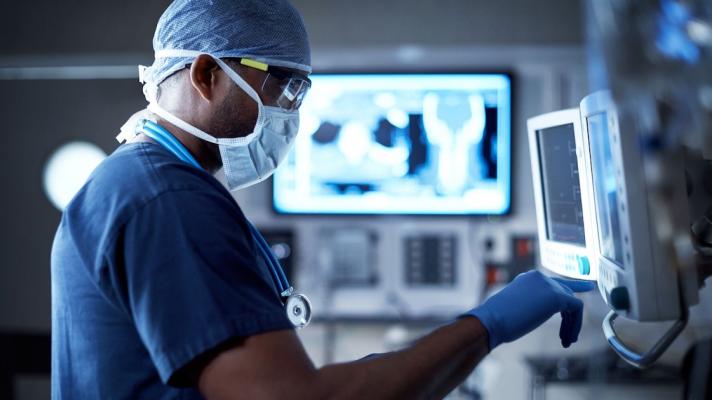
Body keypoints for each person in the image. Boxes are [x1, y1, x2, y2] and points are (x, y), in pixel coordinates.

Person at [50, 0, 594, 398]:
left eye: (302, 94)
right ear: (207, 73)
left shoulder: (135, 182)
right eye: (284, 88)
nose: (293, 115)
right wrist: (489, 325)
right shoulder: (168, 200)